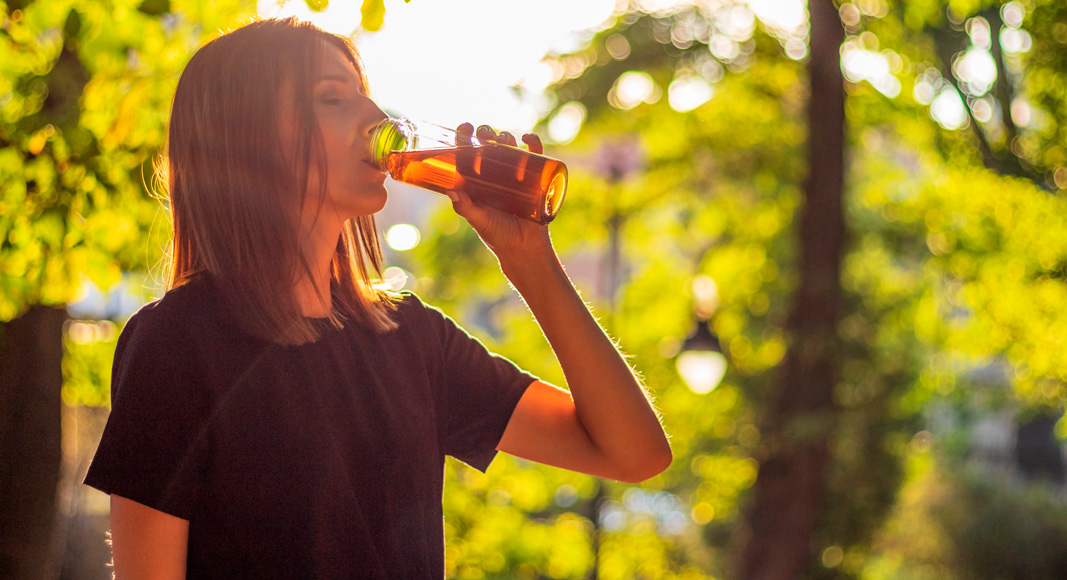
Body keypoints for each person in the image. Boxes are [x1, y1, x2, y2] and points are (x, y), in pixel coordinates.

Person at [83, 17, 671, 580]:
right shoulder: (177, 342)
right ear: (244, 134)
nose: (374, 117)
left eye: (366, 96)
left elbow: (633, 453)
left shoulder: (412, 339)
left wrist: (530, 263)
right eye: (332, 99)